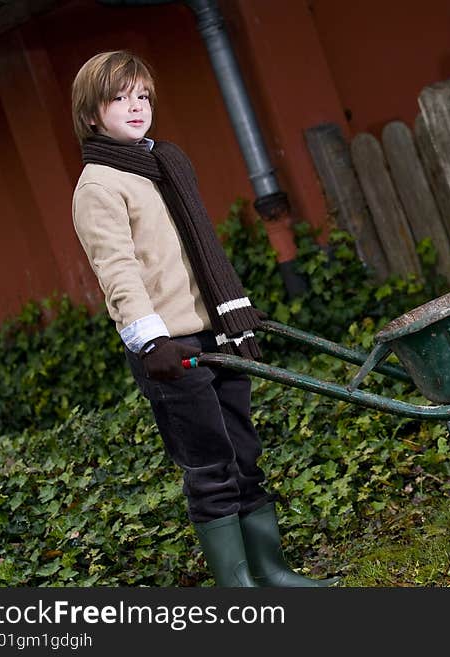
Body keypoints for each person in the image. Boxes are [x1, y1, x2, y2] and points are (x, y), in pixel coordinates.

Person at [70, 50, 337, 588]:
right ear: (92, 114)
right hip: (168, 348)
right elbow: (118, 271)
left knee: (243, 451)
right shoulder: (100, 185)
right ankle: (238, 590)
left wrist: (232, 309)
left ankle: (270, 570)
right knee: (211, 465)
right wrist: (151, 343)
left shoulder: (161, 167)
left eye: (143, 95)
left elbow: (195, 255)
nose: (136, 106)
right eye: (119, 97)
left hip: (214, 330)